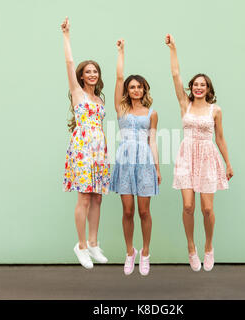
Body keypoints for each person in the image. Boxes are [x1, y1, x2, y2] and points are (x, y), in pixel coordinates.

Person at [165, 34, 234, 272]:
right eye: (195, 84)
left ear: (208, 89)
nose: (198, 87)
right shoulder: (185, 104)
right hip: (186, 155)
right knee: (187, 207)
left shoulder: (216, 110)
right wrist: (173, 48)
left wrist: (228, 163)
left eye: (203, 85)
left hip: (207, 157)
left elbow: (220, 138)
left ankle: (208, 246)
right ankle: (191, 247)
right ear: (191, 88)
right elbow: (175, 75)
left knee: (207, 209)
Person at [61, 17, 110, 269]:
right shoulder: (77, 93)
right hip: (82, 150)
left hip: (99, 150)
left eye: (95, 71)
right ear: (81, 76)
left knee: (97, 198)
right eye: (87, 71)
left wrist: (105, 153)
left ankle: (93, 242)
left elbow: (101, 128)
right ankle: (80, 245)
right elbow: (69, 62)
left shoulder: (100, 101)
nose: (92, 74)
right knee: (83, 198)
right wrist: (67, 36)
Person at [110, 39, 161, 276]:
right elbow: (119, 78)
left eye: (139, 87)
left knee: (144, 212)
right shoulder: (121, 109)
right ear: (127, 91)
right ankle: (130, 252)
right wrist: (121, 52)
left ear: (144, 90)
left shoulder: (152, 113)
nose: (136, 90)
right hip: (125, 160)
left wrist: (157, 168)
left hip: (145, 162)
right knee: (128, 211)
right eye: (132, 87)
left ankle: (146, 252)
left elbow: (153, 140)